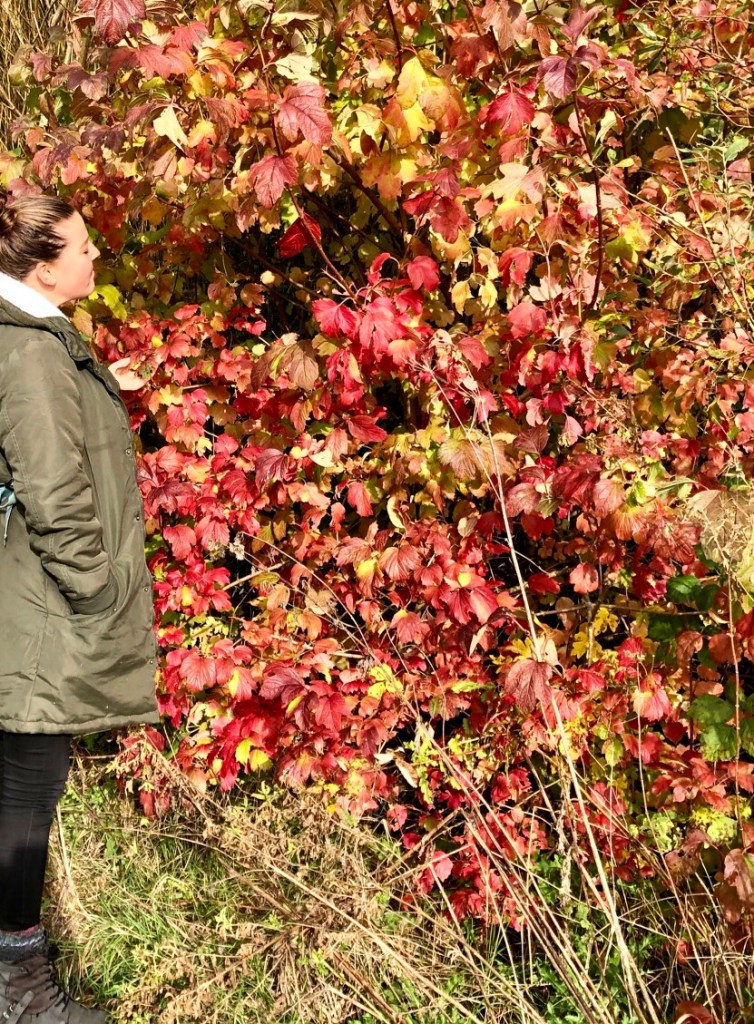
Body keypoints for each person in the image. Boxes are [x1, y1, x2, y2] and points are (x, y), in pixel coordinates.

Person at [0, 193, 160, 1022]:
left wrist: (100, 386)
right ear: (42, 266)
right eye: (84, 248)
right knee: (28, 793)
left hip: (30, 593)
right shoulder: (31, 352)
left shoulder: (38, 338)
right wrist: (97, 589)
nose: (97, 257)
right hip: (42, 604)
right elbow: (53, 489)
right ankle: (19, 989)